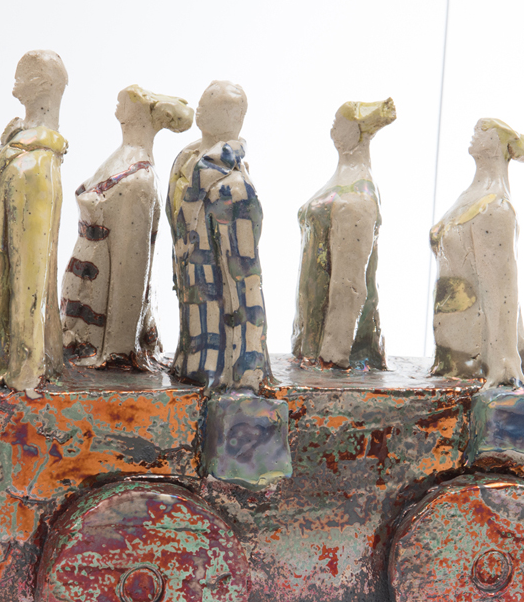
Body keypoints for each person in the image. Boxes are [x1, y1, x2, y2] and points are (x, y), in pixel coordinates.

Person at [0, 50, 69, 394]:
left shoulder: (34, 164)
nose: (14, 87)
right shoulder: (17, 152)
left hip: (5, 369)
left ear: (41, 85)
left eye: (22, 77)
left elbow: (30, 279)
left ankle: (28, 363)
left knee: (30, 276)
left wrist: (25, 373)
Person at [61, 86, 193, 370]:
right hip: (85, 285)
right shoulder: (122, 160)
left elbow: (131, 271)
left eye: (126, 102)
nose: (117, 105)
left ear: (140, 115)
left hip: (99, 312)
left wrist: (117, 349)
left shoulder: (140, 180)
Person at [167, 81, 271, 392]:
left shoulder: (234, 188)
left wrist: (247, 370)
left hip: (221, 355)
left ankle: (231, 372)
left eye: (213, 104)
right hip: (192, 322)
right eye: (203, 100)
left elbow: (246, 282)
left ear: (236, 118)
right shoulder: (187, 161)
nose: (200, 108)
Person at [430, 118, 524, 386]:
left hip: (471, 360)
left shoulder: (496, 207)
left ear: (497, 143)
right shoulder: (470, 196)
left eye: (483, 130)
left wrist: (504, 362)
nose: (475, 134)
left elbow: (501, 290)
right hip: (452, 351)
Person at [292, 99, 396, 369]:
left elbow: (349, 284)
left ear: (355, 131)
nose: (332, 130)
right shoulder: (342, 182)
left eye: (338, 124)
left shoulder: (357, 195)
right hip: (312, 344)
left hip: (333, 360)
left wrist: (333, 356)